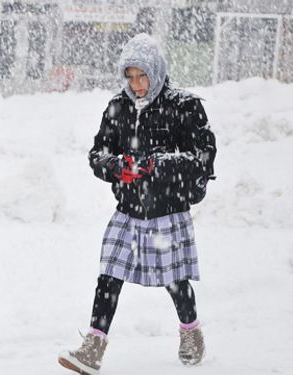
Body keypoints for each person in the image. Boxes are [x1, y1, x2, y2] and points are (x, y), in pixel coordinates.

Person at [58, 33, 217, 374]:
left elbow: (202, 157)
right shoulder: (118, 106)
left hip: (168, 211)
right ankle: (93, 347)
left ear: (156, 72)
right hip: (129, 210)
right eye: (130, 77)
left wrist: (157, 164)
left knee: (174, 280)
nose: (136, 84)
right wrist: (116, 166)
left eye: (142, 76)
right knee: (109, 276)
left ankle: (191, 333)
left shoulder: (184, 106)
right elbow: (97, 154)